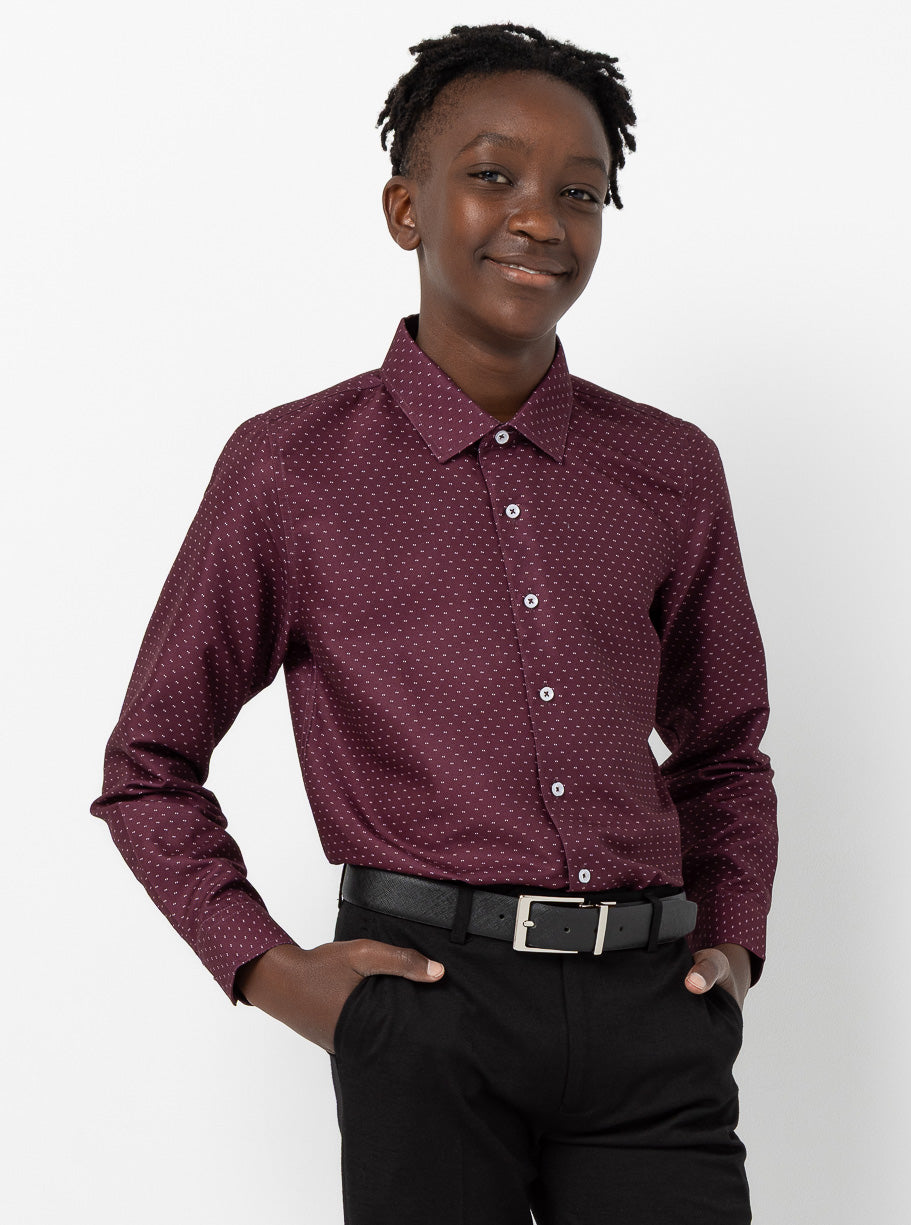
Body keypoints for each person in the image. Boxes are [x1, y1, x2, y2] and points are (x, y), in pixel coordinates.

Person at [90, 21, 778, 1225]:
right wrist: (268, 970)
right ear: (405, 209)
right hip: (424, 1009)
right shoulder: (289, 470)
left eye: (580, 192)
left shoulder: (668, 467)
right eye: (493, 175)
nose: (540, 219)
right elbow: (147, 767)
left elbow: (723, 751)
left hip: (648, 1018)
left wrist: (728, 945)